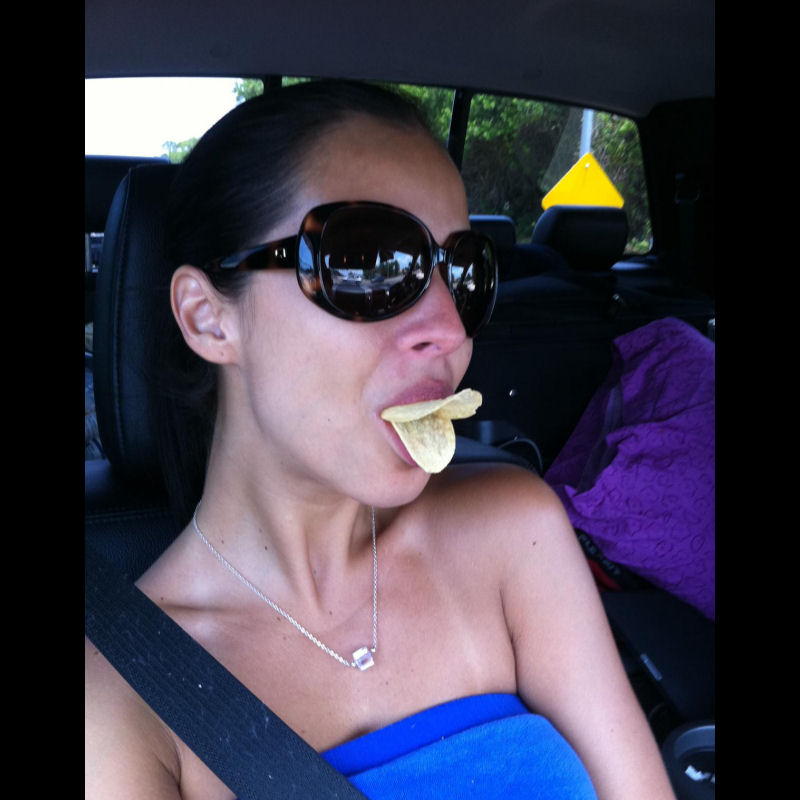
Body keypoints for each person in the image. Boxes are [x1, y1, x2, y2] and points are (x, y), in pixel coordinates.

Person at [85, 80, 676, 800]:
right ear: (209, 318)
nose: (451, 330)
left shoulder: (513, 534)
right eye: (367, 264)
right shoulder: (119, 697)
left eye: (463, 273)